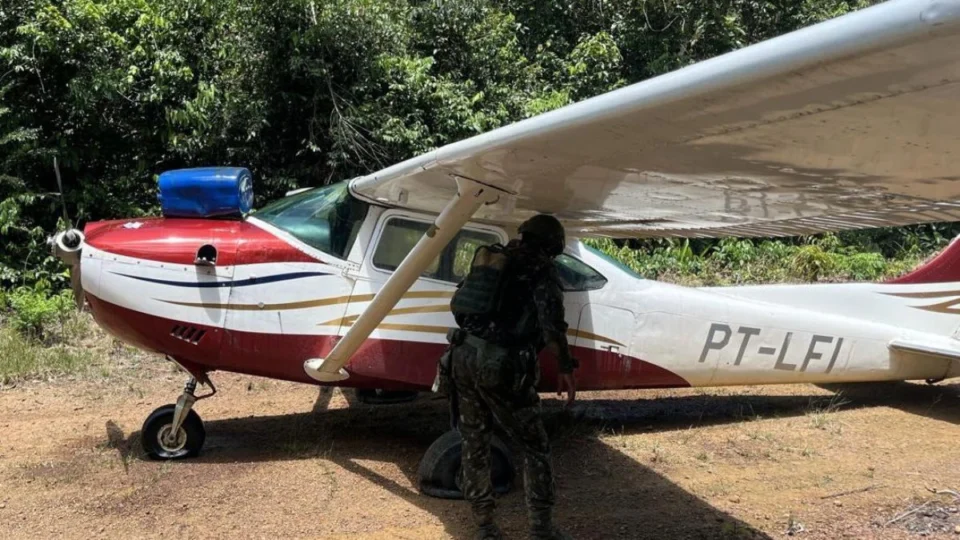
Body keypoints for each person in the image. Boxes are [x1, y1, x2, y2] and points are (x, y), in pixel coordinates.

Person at [448, 214, 578, 540]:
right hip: (499, 366)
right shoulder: (541, 271)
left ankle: (485, 527)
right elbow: (551, 328)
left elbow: (464, 303)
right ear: (553, 246)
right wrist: (565, 368)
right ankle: (541, 530)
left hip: (461, 356)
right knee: (535, 447)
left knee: (474, 442)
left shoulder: (495, 258)